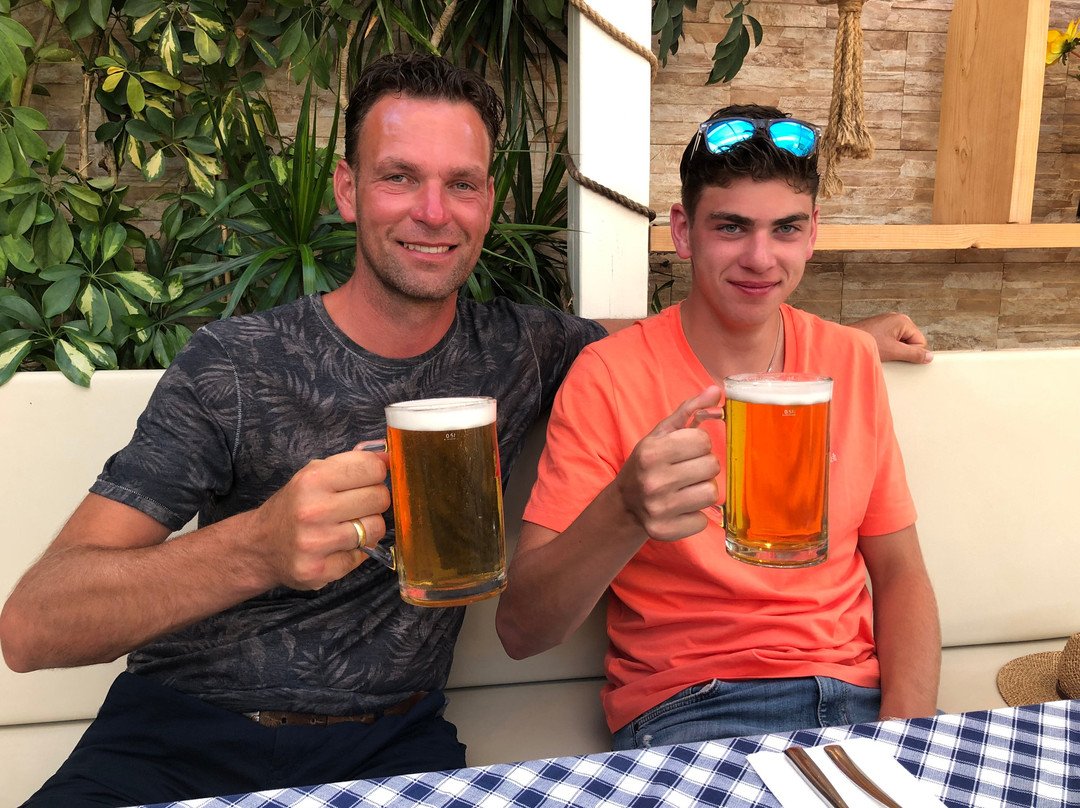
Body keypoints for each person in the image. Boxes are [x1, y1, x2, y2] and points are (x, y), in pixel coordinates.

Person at [0, 56, 927, 803]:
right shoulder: (234, 364)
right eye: (399, 178)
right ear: (347, 190)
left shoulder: (521, 349)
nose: (434, 212)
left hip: (392, 743)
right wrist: (257, 546)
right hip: (178, 734)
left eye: (462, 184)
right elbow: (33, 627)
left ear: (488, 203)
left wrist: (852, 338)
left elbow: (687, 333)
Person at [495, 105, 942, 751]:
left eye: (785, 229)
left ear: (812, 234)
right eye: (731, 227)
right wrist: (626, 508)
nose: (760, 258)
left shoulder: (848, 359)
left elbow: (901, 574)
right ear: (684, 232)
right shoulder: (608, 376)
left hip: (857, 699)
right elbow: (521, 631)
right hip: (694, 707)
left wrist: (908, 737)